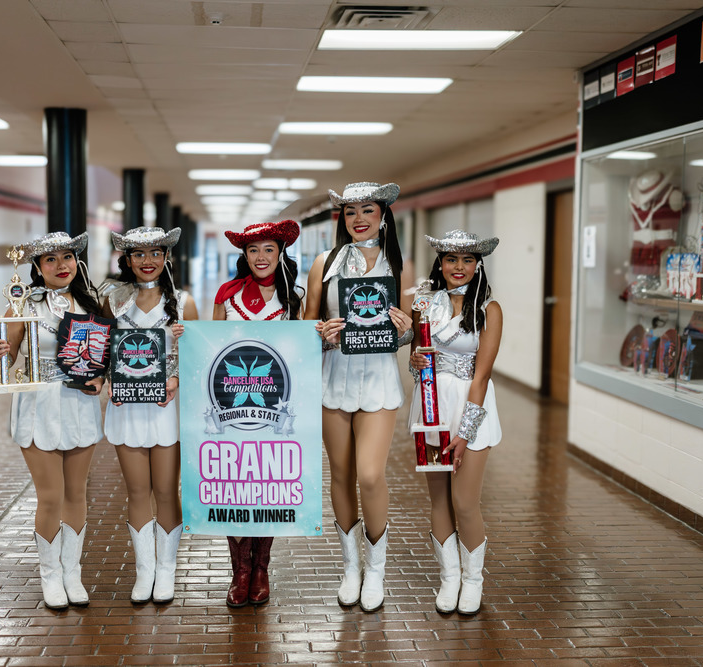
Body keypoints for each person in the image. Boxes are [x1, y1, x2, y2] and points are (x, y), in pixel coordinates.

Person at [304, 182, 414, 612]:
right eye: (350, 212)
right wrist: (322, 333)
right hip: (334, 378)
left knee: (370, 475)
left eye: (368, 210)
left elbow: (409, 333)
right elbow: (307, 324)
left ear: (383, 214)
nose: (359, 219)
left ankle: (377, 570)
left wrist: (404, 330)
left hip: (379, 381)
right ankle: (351, 567)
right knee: (341, 474)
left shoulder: (400, 265)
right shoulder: (324, 263)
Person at [0, 231, 104, 610]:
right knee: (51, 496)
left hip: (80, 404)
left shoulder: (90, 302)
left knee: (76, 494)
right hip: (39, 405)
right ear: (38, 267)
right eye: (50, 260)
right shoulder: (23, 304)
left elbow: (103, 355)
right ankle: (50, 575)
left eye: (67, 257)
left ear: (76, 261)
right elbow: (7, 356)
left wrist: (100, 377)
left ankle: (72, 573)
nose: (61, 265)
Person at [100, 226, 198, 604]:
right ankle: (145, 571)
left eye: (156, 253)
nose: (148, 261)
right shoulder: (112, 300)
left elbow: (198, 358)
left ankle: (167, 569)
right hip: (127, 408)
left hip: (166, 409)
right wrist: (109, 380)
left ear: (167, 256)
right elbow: (101, 350)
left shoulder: (184, 302)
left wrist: (177, 378)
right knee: (138, 491)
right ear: (126, 260)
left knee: (166, 491)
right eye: (138, 254)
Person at [408, 230, 503, 615]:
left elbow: (482, 376)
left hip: (470, 410)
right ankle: (449, 578)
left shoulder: (489, 309)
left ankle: (473, 580)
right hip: (430, 407)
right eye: (451, 259)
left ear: (478, 264)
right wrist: (414, 362)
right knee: (440, 500)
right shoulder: (424, 303)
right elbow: (417, 357)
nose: (458, 267)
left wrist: (464, 434)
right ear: (441, 263)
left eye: (467, 260)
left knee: (465, 502)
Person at [212, 219, 303, 606]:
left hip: (274, 408)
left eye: (268, 249)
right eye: (253, 250)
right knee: (235, 487)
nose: (261, 256)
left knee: (267, 485)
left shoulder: (294, 298)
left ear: (281, 253)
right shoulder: (226, 294)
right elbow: (213, 349)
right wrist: (188, 336)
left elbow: (299, 352)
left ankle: (261, 567)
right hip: (232, 408)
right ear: (244, 255)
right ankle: (240, 571)